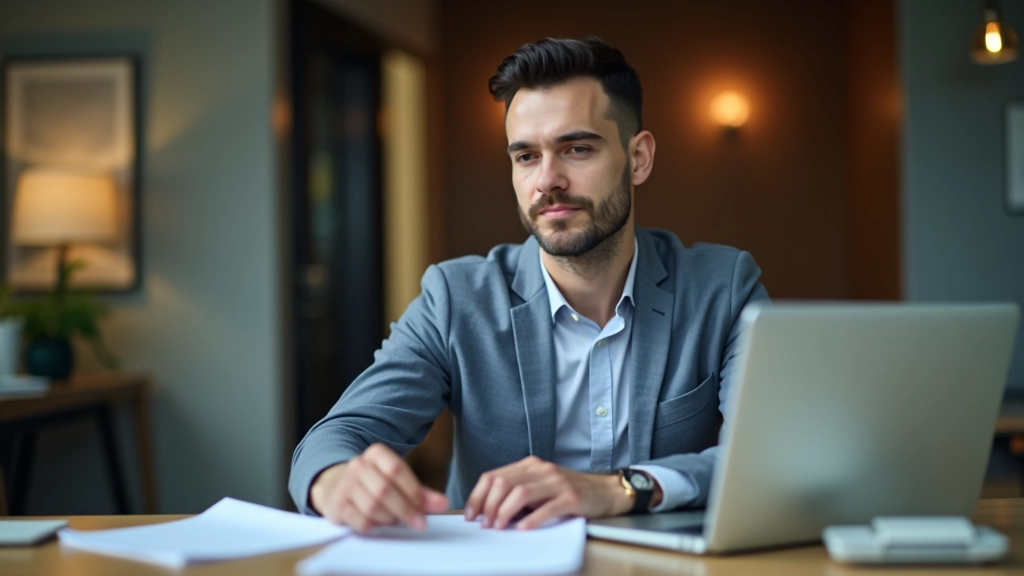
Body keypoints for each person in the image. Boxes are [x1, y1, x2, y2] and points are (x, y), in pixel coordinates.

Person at [289, 36, 769, 533]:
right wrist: (336, 479)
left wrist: (618, 488)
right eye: (526, 156)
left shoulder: (723, 289)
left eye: (576, 149)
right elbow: (337, 436)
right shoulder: (456, 299)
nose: (547, 181)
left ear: (639, 158)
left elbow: (768, 458)